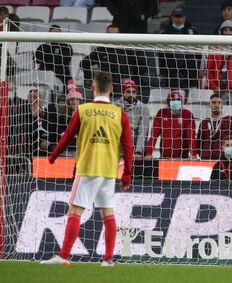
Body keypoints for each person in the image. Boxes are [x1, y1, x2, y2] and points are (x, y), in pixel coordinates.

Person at [41, 72, 133, 266]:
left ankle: (64, 256)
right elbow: (128, 146)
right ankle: (108, 260)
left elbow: (67, 138)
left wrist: (53, 156)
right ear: (112, 89)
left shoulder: (83, 110)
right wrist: (127, 174)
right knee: (108, 214)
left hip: (88, 168)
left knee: (75, 210)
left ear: (92, 88)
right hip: (109, 171)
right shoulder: (120, 113)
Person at [158, 7, 200, 94]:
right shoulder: (164, 33)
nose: (178, 19)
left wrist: (200, 68)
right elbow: (160, 55)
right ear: (172, 18)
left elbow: (199, 53)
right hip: (170, 71)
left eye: (180, 17)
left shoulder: (193, 31)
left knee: (191, 95)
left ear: (185, 17)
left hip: (190, 71)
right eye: (176, 17)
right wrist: (161, 71)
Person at [145, 89, 196, 159]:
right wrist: (148, 153)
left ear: (181, 102)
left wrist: (193, 153)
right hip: (164, 157)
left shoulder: (187, 114)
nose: (176, 102)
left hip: (182, 157)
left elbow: (191, 136)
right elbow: (154, 135)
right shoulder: (161, 113)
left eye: (178, 100)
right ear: (168, 102)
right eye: (173, 100)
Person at [196, 93, 232, 160]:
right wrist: (203, 154)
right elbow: (199, 143)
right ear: (209, 105)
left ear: (222, 105)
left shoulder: (231, 120)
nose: (216, 105)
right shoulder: (203, 123)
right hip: (206, 159)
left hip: (225, 159)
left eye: (219, 103)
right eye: (213, 102)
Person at [114, 78, 149, 159]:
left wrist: (138, 151)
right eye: (128, 92)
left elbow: (143, 132)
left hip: (133, 150)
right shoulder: (115, 106)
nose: (131, 95)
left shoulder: (143, 108)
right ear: (123, 92)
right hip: (116, 149)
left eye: (134, 92)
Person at [35, 25, 74, 91]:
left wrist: (47, 58)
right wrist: (48, 47)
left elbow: (63, 61)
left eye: (57, 33)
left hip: (60, 76)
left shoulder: (66, 47)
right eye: (53, 34)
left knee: (55, 88)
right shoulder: (43, 46)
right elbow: (37, 59)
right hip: (44, 76)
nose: (55, 36)